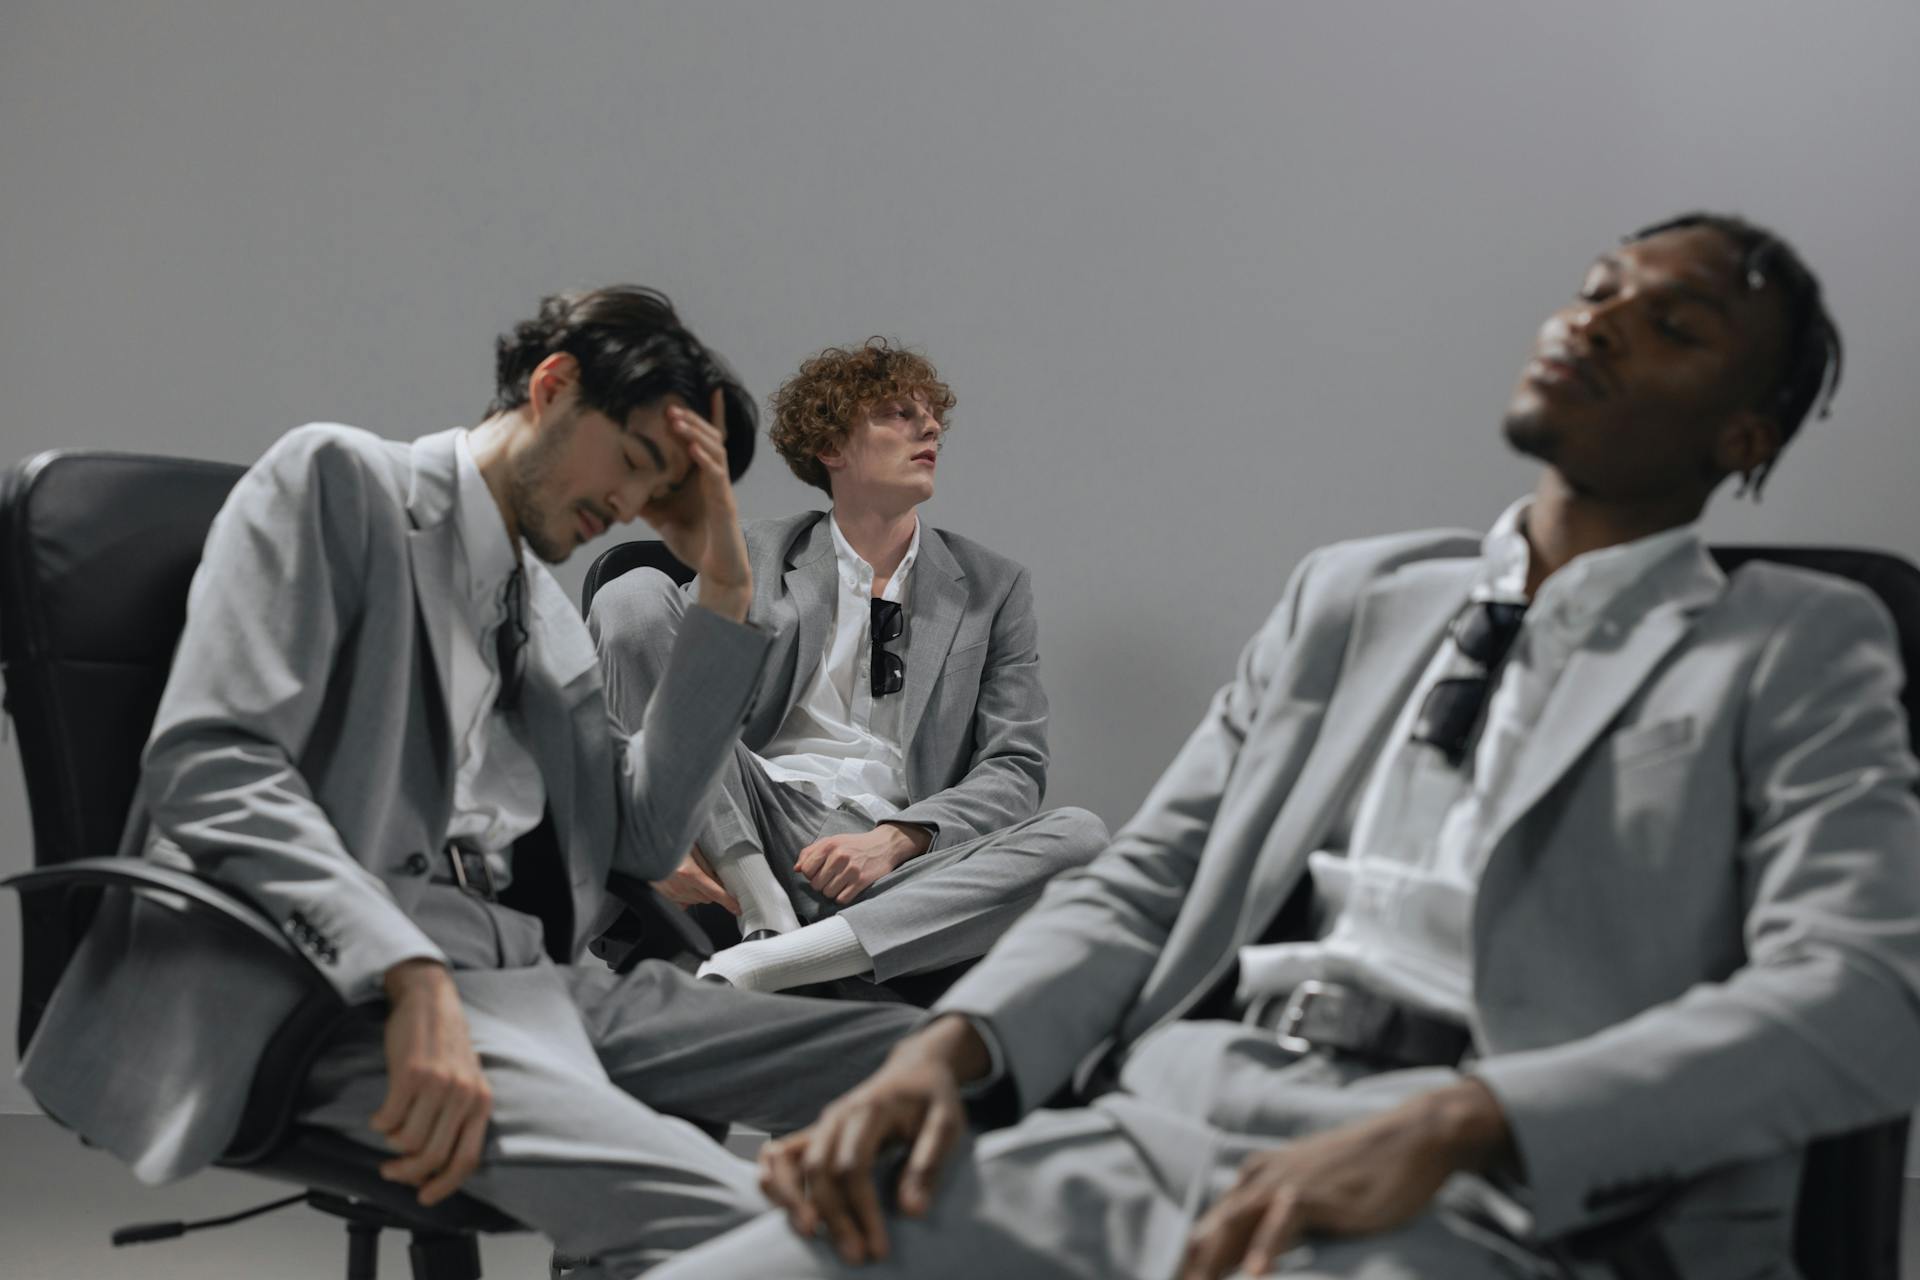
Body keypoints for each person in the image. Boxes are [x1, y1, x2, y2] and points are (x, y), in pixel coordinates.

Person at [655, 214, 1920, 1280]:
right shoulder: (1356, 596)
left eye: (1675, 325)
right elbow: (1155, 877)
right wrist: (951, 1046)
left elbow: (1865, 991)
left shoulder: (1801, 641)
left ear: (1744, 436)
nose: (1597, 321)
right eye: (1599, 291)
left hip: (1516, 1201)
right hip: (1183, 1117)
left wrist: (1476, 1122)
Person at [19, 286, 921, 1276]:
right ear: (553, 384)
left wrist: (724, 587)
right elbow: (212, 766)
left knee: (946, 1067)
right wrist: (404, 971)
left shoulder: (539, 597)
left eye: (654, 491)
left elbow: (646, 835)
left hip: (535, 977)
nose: (625, 508)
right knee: (734, 1224)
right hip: (330, 988)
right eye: (629, 462)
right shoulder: (339, 483)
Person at [590, 338, 1106, 997]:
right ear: (832, 448)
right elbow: (664, 695)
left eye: (932, 416)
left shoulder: (992, 587)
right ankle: (760, 904)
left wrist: (895, 839)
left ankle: (770, 962)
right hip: (749, 810)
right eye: (897, 412)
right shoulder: (758, 553)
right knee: (631, 594)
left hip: (896, 869)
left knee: (1081, 839)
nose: (929, 427)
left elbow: (1015, 767)